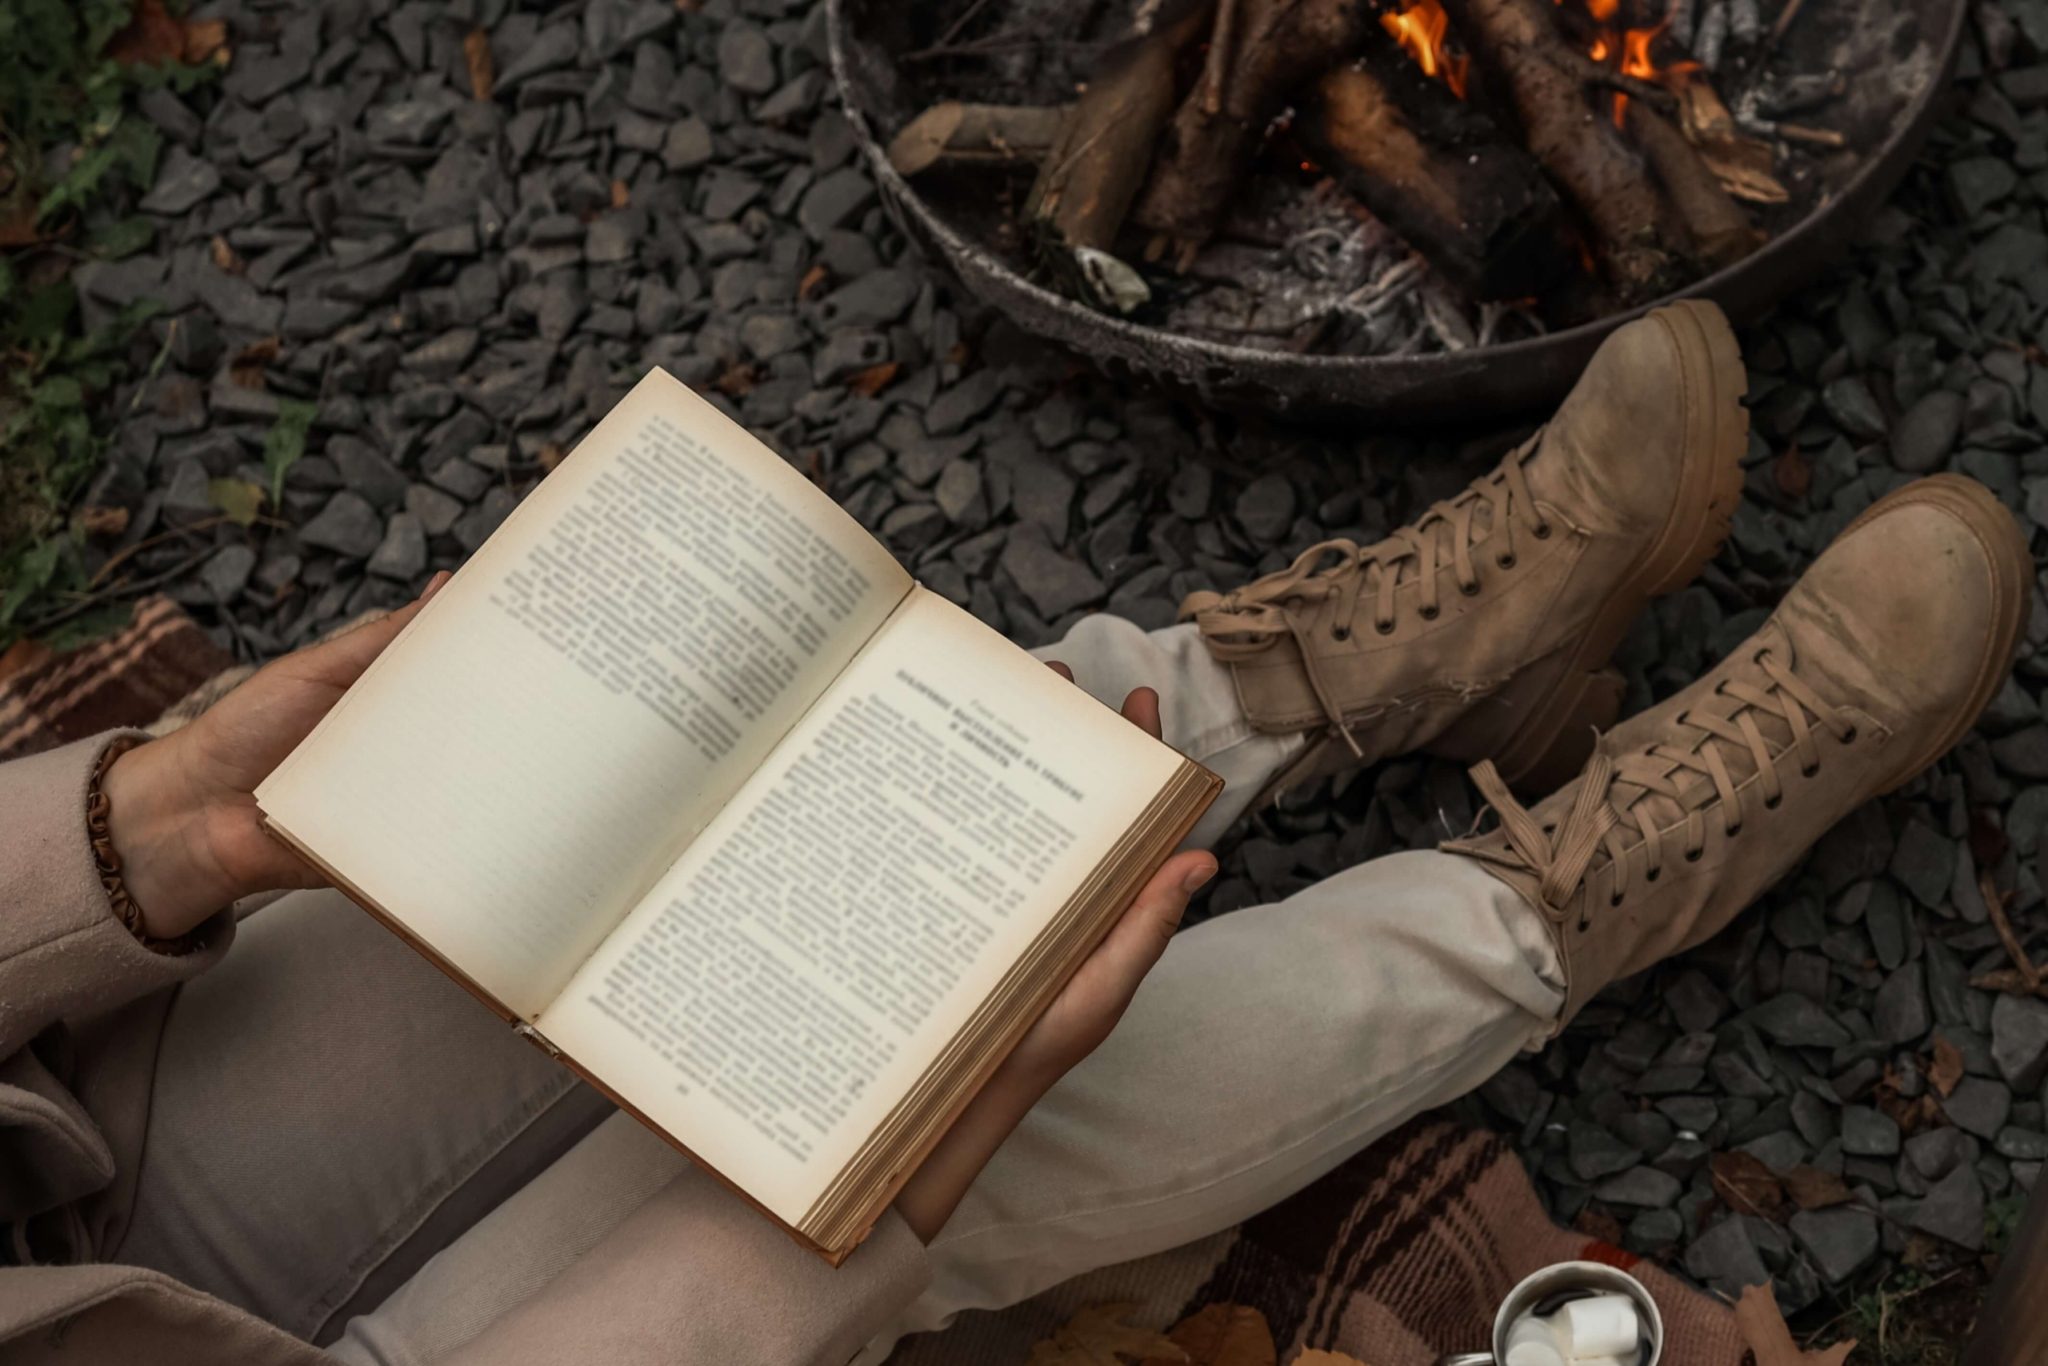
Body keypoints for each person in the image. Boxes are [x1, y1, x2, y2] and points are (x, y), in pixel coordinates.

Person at [0, 301, 2029, 1365]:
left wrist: (135, 838)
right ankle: (1564, 896)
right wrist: (832, 1242)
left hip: (60, 1120)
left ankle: (1318, 680)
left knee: (791, 809)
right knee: (944, 1101)